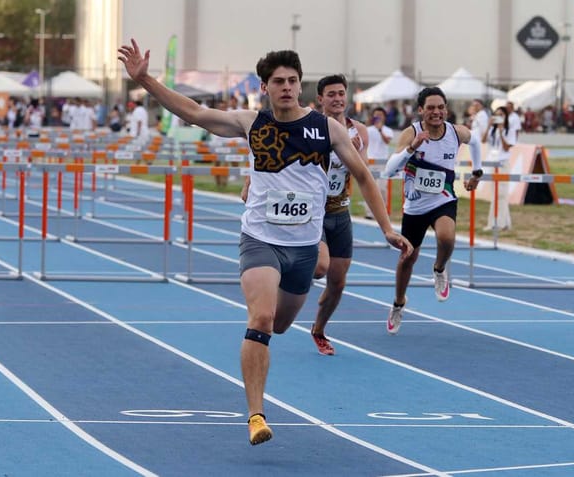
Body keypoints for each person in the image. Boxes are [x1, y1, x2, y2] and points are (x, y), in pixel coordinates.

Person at [118, 39, 412, 445]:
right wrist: (146, 79)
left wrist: (386, 228)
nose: (287, 87)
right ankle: (256, 415)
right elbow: (196, 113)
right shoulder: (251, 123)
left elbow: (363, 175)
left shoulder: (326, 128)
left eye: (293, 81)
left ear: (300, 85)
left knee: (280, 324)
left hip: (305, 247)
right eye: (279, 81)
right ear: (265, 87)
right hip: (260, 240)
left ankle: (276, 339)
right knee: (259, 321)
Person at [383, 86, 482, 335]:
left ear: (446, 109)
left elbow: (477, 141)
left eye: (440, 107)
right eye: (430, 108)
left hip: (443, 199)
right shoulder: (411, 133)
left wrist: (477, 172)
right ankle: (398, 302)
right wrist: (412, 148)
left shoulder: (456, 133)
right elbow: (389, 170)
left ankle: (439, 269)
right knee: (408, 258)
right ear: (420, 111)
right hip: (415, 206)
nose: (436, 112)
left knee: (447, 236)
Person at [310, 74, 369, 356]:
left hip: (340, 211)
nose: (337, 98)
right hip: (313, 211)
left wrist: (357, 154)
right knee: (319, 268)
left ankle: (319, 330)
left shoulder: (358, 132)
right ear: (320, 99)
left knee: (338, 282)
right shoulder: (311, 127)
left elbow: (363, 172)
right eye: (331, 94)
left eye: (341, 93)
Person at [482, 106, 516, 231]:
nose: (499, 117)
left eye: (501, 115)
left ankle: (498, 223)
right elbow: (483, 140)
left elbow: (507, 147)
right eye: (496, 115)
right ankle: (504, 222)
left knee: (502, 194)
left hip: (503, 163)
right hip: (493, 163)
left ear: (506, 116)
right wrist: (488, 125)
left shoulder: (509, 130)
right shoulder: (492, 129)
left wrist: (502, 132)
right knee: (495, 194)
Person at [364, 107, 393, 219]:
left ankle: (383, 211)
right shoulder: (368, 129)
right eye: (376, 115)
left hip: (382, 163)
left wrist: (380, 130)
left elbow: (387, 141)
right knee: (369, 187)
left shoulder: (387, 130)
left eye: (381, 115)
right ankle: (369, 213)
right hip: (370, 161)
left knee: (382, 188)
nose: (379, 117)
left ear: (384, 117)